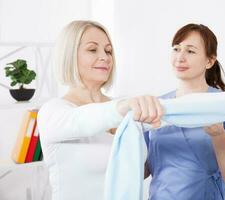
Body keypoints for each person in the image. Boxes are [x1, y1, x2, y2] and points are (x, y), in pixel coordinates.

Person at [144, 23, 225, 200]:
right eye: (176, 49)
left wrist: (219, 135)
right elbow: (143, 172)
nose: (180, 57)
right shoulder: (155, 107)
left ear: (209, 61)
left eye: (190, 51)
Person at [37, 20, 163, 200]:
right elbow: (82, 120)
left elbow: (140, 171)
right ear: (70, 55)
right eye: (92, 49)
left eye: (108, 51)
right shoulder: (53, 111)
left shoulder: (123, 108)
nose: (105, 57)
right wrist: (123, 107)